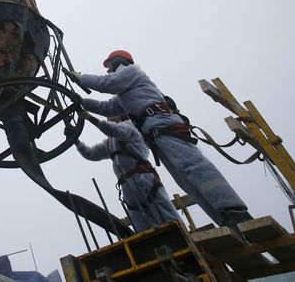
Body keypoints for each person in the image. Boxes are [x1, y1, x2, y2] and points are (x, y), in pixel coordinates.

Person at [68, 50, 252, 228]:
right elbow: (106, 107)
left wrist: (81, 77)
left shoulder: (131, 73)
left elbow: (108, 83)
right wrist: (82, 101)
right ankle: (224, 218)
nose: (108, 70)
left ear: (118, 62)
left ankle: (233, 208)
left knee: (193, 165)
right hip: (155, 133)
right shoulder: (126, 94)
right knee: (184, 178)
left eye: (110, 66)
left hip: (164, 125)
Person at [72, 111, 181, 232]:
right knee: (141, 224)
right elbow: (91, 154)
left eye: (113, 115)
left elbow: (115, 131)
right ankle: (151, 244)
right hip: (127, 186)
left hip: (144, 178)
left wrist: (90, 118)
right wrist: (76, 140)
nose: (109, 119)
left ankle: (181, 235)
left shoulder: (129, 128)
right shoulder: (110, 142)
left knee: (165, 214)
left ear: (122, 117)